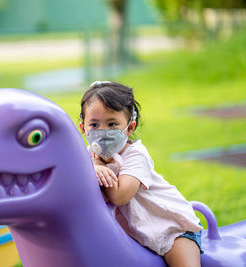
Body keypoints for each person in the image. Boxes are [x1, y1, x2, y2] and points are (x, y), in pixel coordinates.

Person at [79, 81, 203, 267]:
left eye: (112, 124)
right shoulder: (85, 154)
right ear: (83, 128)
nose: (103, 131)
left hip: (170, 228)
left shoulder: (136, 155)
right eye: (94, 124)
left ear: (130, 128)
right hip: (133, 235)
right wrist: (93, 164)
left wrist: (97, 164)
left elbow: (120, 196)